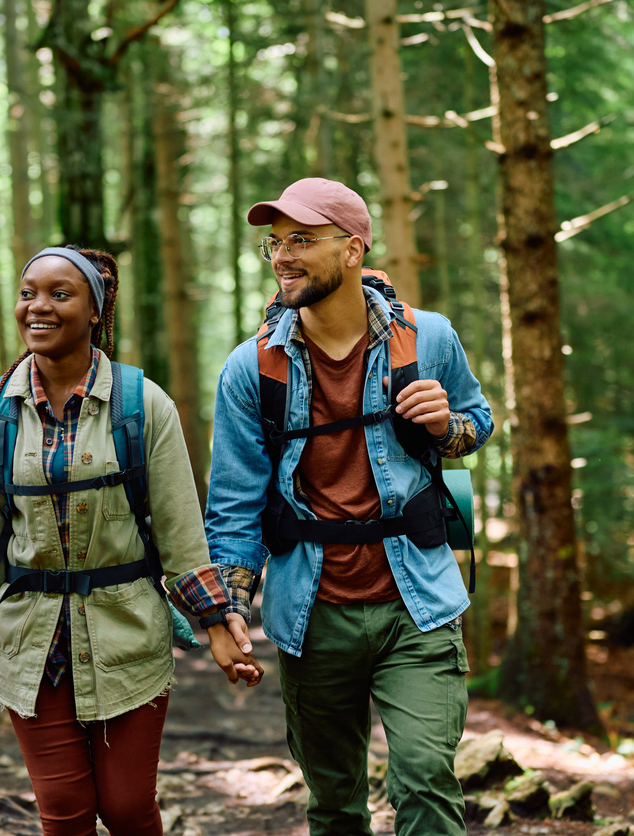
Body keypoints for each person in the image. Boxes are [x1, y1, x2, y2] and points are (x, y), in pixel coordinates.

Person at [0, 245, 260, 836]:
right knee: (63, 812)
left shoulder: (142, 406)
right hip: (29, 645)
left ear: (96, 311)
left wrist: (218, 627)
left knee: (128, 807)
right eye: (28, 292)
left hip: (127, 637)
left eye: (60, 295)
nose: (38, 306)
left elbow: (181, 532)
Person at [205, 178, 494, 835]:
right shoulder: (251, 370)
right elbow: (233, 503)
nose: (282, 255)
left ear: (353, 249)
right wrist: (226, 610)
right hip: (312, 615)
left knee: (425, 782)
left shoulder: (430, 339)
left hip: (416, 606)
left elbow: (478, 421)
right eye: (275, 243)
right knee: (335, 805)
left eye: (302, 240)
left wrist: (447, 425)